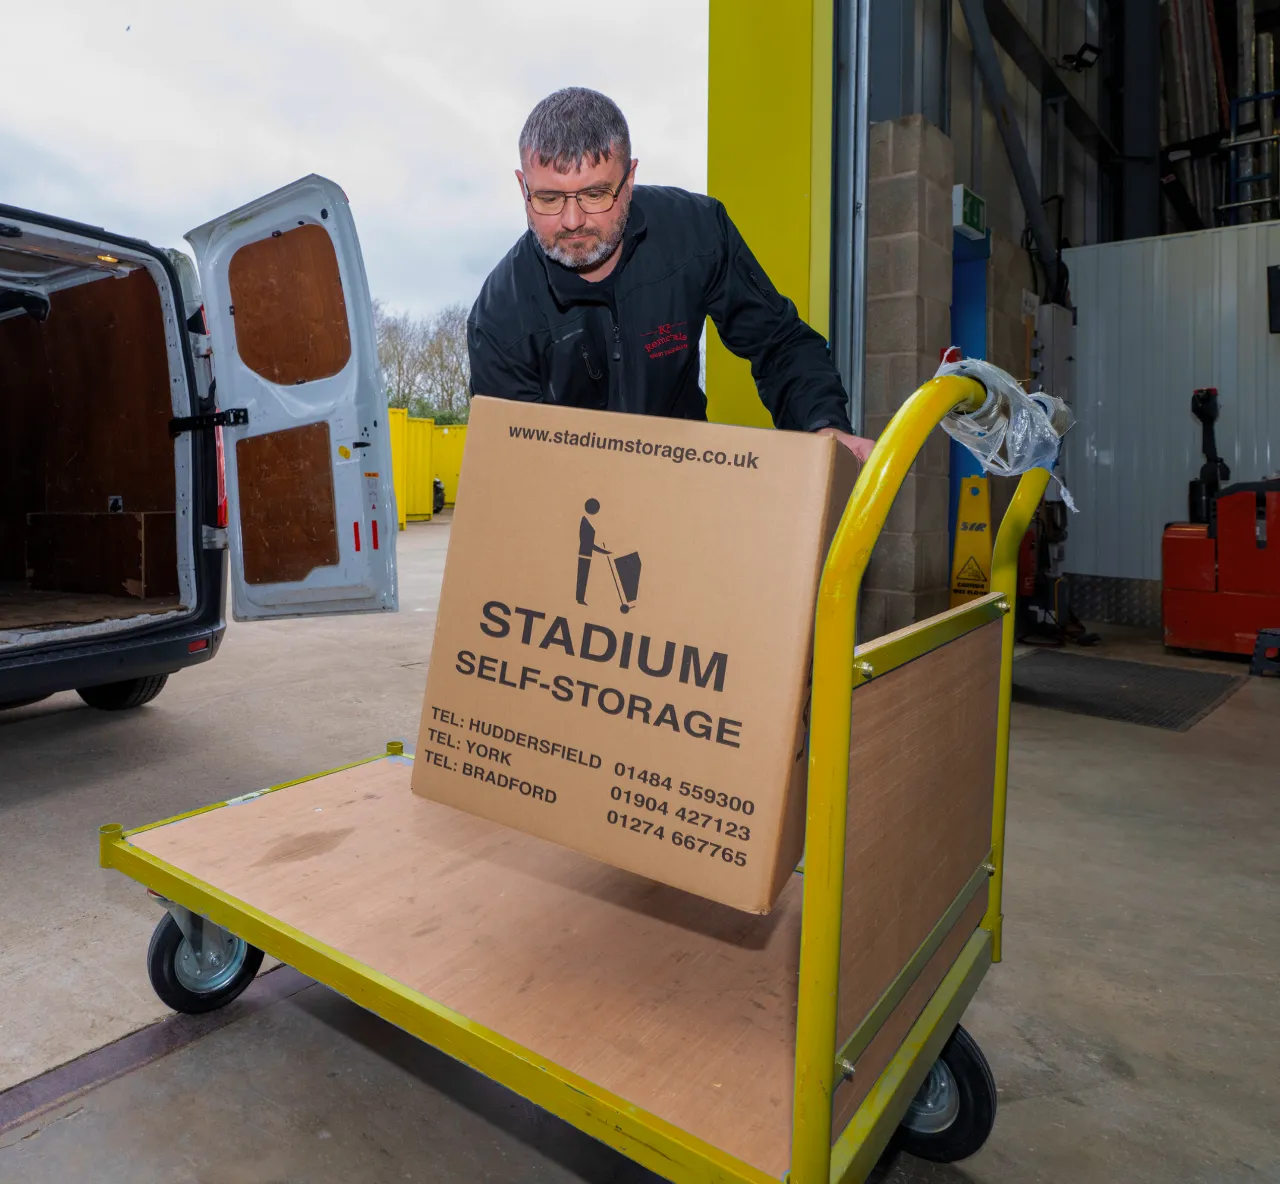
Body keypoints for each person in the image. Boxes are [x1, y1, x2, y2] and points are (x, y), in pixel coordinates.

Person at [467, 87, 875, 462]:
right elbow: (517, 467)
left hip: (685, 483)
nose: (572, 221)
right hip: (573, 505)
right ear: (523, 187)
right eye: (549, 198)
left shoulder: (697, 233)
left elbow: (780, 343)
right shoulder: (500, 316)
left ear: (629, 180)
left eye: (595, 194)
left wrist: (823, 424)